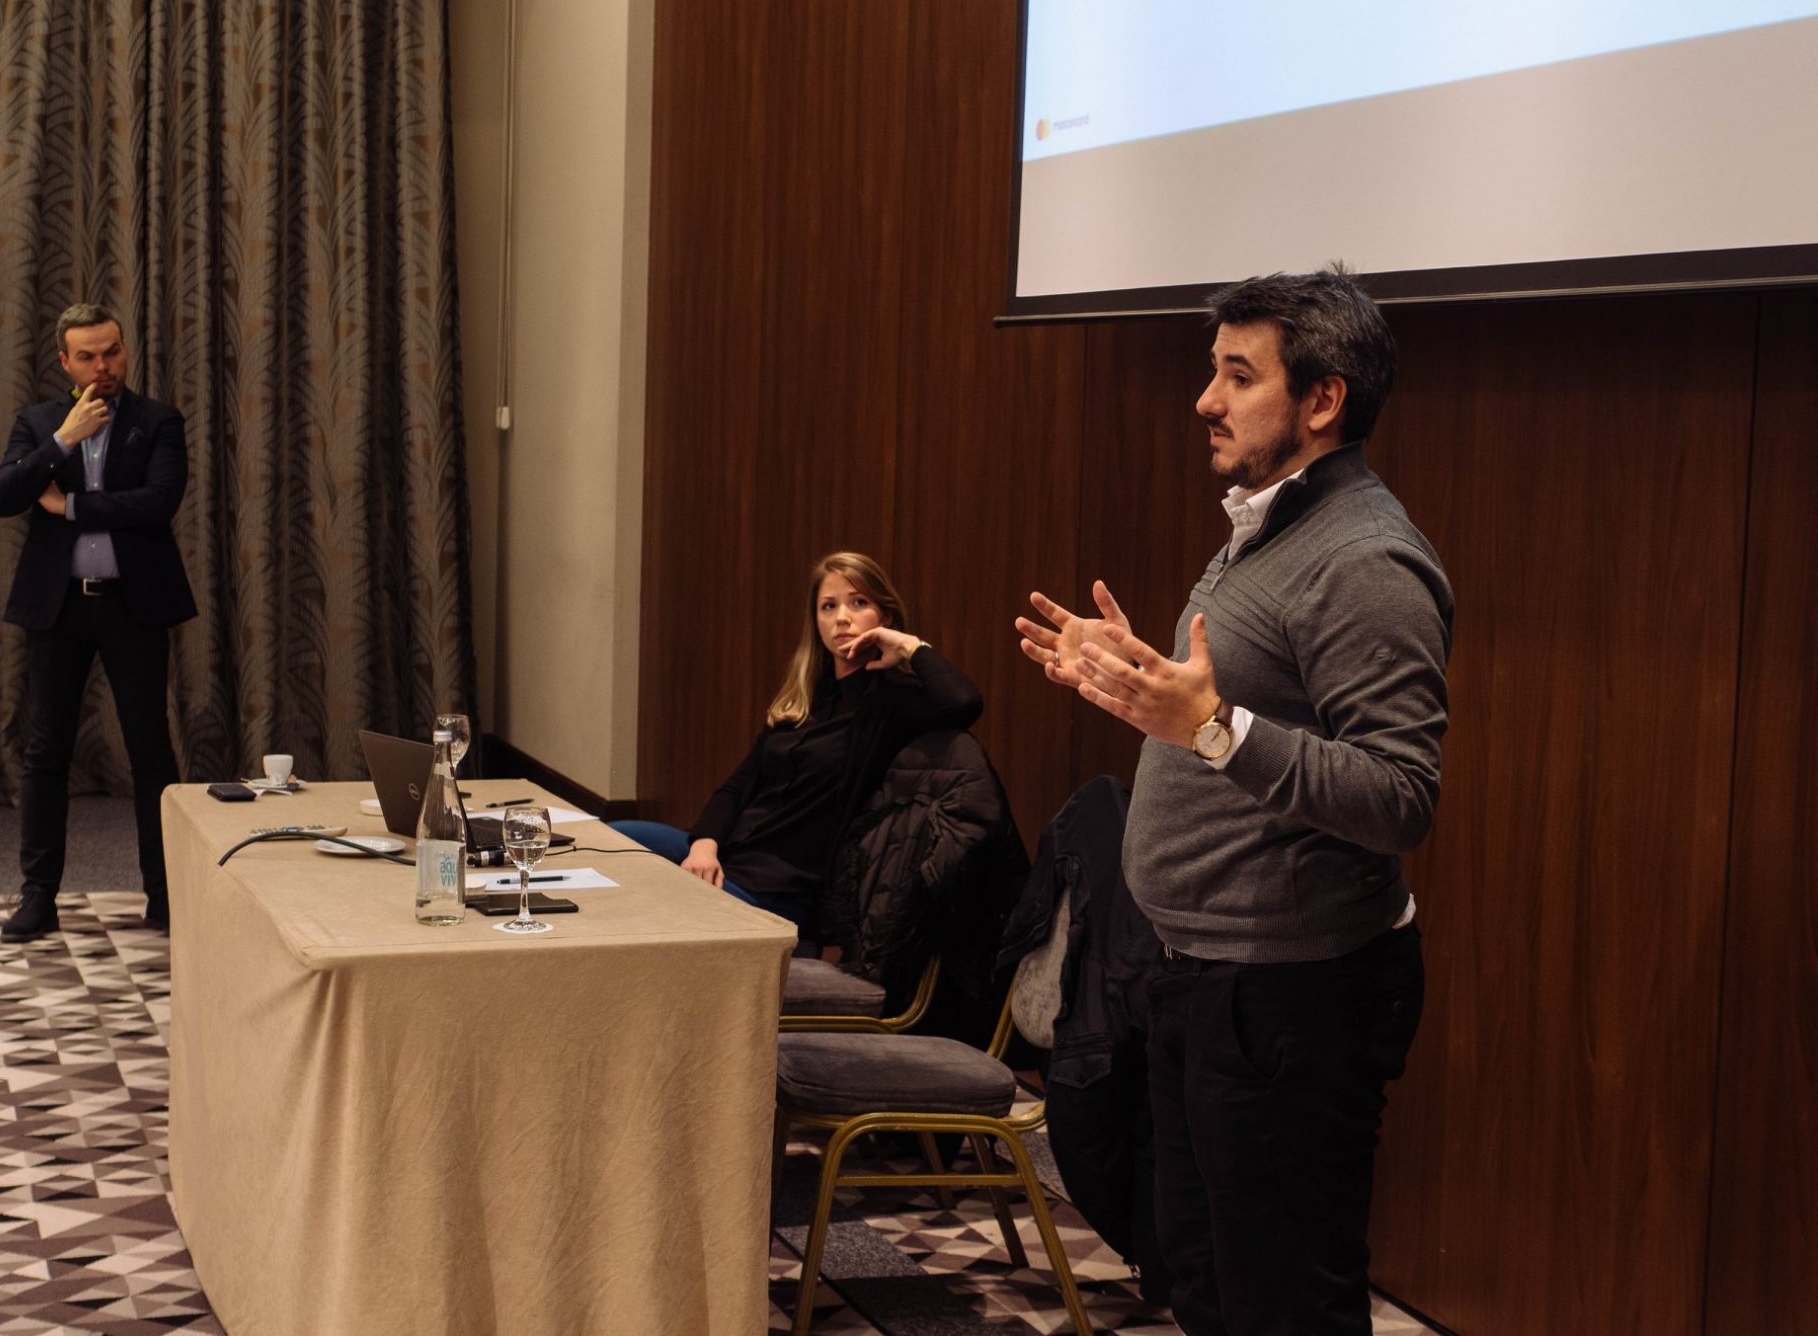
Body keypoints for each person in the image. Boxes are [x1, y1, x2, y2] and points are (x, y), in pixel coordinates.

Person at [1014, 266, 1452, 1336]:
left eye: (1239, 376)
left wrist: (1211, 726)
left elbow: (1399, 794)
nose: (1206, 400)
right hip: (1203, 978)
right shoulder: (1270, 524)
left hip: (1290, 1000)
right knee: (1206, 1287)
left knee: (1282, 1305)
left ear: (1322, 399)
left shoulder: (1366, 558)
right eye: (1213, 371)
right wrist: (1139, 682)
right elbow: (1232, 707)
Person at [616, 551, 981, 938]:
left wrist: (908, 646)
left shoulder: (891, 701)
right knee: (610, 838)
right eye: (829, 606)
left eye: (858, 602)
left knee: (654, 905)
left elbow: (964, 702)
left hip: (777, 888)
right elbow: (739, 785)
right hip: (729, 855)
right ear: (816, 621)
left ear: (884, 616)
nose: (842, 617)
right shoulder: (803, 701)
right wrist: (704, 844)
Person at [0, 303, 197, 942]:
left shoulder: (158, 420)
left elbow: (158, 501)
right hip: (60, 607)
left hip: (134, 605)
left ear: (124, 350)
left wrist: (71, 505)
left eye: (112, 352)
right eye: (88, 356)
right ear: (65, 361)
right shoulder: (38, 424)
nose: (103, 366)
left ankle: (165, 895)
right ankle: (38, 896)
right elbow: (4, 496)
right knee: (45, 750)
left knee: (151, 752)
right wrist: (63, 441)